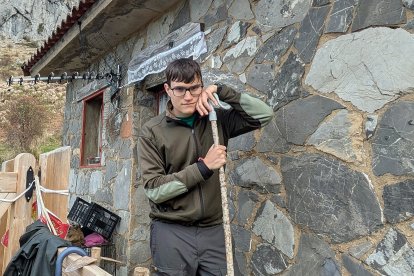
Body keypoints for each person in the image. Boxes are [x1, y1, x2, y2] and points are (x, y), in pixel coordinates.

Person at [138, 58, 273, 275]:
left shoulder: (216, 120)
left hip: (214, 230)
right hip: (172, 231)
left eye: (194, 88)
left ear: (202, 86)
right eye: (180, 89)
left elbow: (264, 114)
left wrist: (221, 91)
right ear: (167, 89)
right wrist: (204, 168)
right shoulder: (152, 131)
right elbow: (154, 190)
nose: (188, 96)